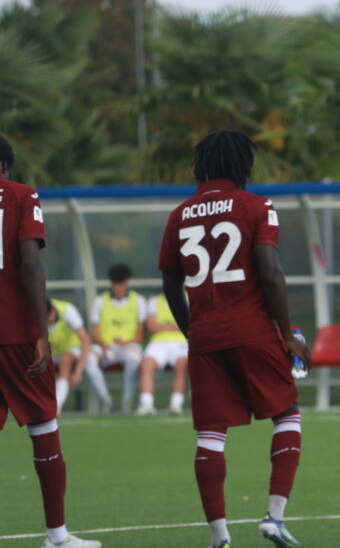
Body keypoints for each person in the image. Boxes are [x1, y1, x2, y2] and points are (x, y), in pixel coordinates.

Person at [158, 130, 311, 548]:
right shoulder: (257, 206)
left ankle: (219, 538)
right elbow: (270, 271)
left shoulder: (180, 214)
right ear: (242, 165)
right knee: (287, 414)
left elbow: (171, 283)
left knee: (210, 433)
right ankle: (274, 518)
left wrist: (192, 327)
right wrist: (289, 334)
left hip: (205, 334)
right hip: (254, 328)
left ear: (202, 165)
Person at [0, 135, 101, 548]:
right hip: (15, 330)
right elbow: (30, 262)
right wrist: (42, 332)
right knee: (43, 423)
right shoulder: (22, 196)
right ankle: (57, 535)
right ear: (6, 164)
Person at [89, 263, 145, 412]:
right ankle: (107, 401)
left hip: (129, 347)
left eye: (121, 283)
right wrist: (103, 344)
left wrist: (126, 342)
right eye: (115, 283)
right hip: (106, 347)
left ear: (127, 282)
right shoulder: (99, 301)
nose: (118, 287)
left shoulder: (139, 301)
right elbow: (95, 334)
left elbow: (140, 336)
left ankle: (126, 401)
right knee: (89, 359)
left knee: (133, 359)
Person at [47, 298, 113, 415]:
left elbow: (86, 341)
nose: (46, 322)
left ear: (52, 311)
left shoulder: (67, 310)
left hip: (75, 349)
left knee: (79, 362)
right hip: (53, 353)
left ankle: (107, 401)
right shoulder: (35, 315)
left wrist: (78, 372)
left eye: (47, 319)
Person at [135, 292, 189, 416]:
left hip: (181, 342)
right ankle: (146, 404)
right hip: (158, 343)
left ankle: (176, 404)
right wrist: (176, 325)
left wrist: (163, 325)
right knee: (146, 365)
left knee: (182, 365)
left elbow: (190, 323)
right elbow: (152, 326)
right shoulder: (155, 301)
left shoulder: (189, 299)